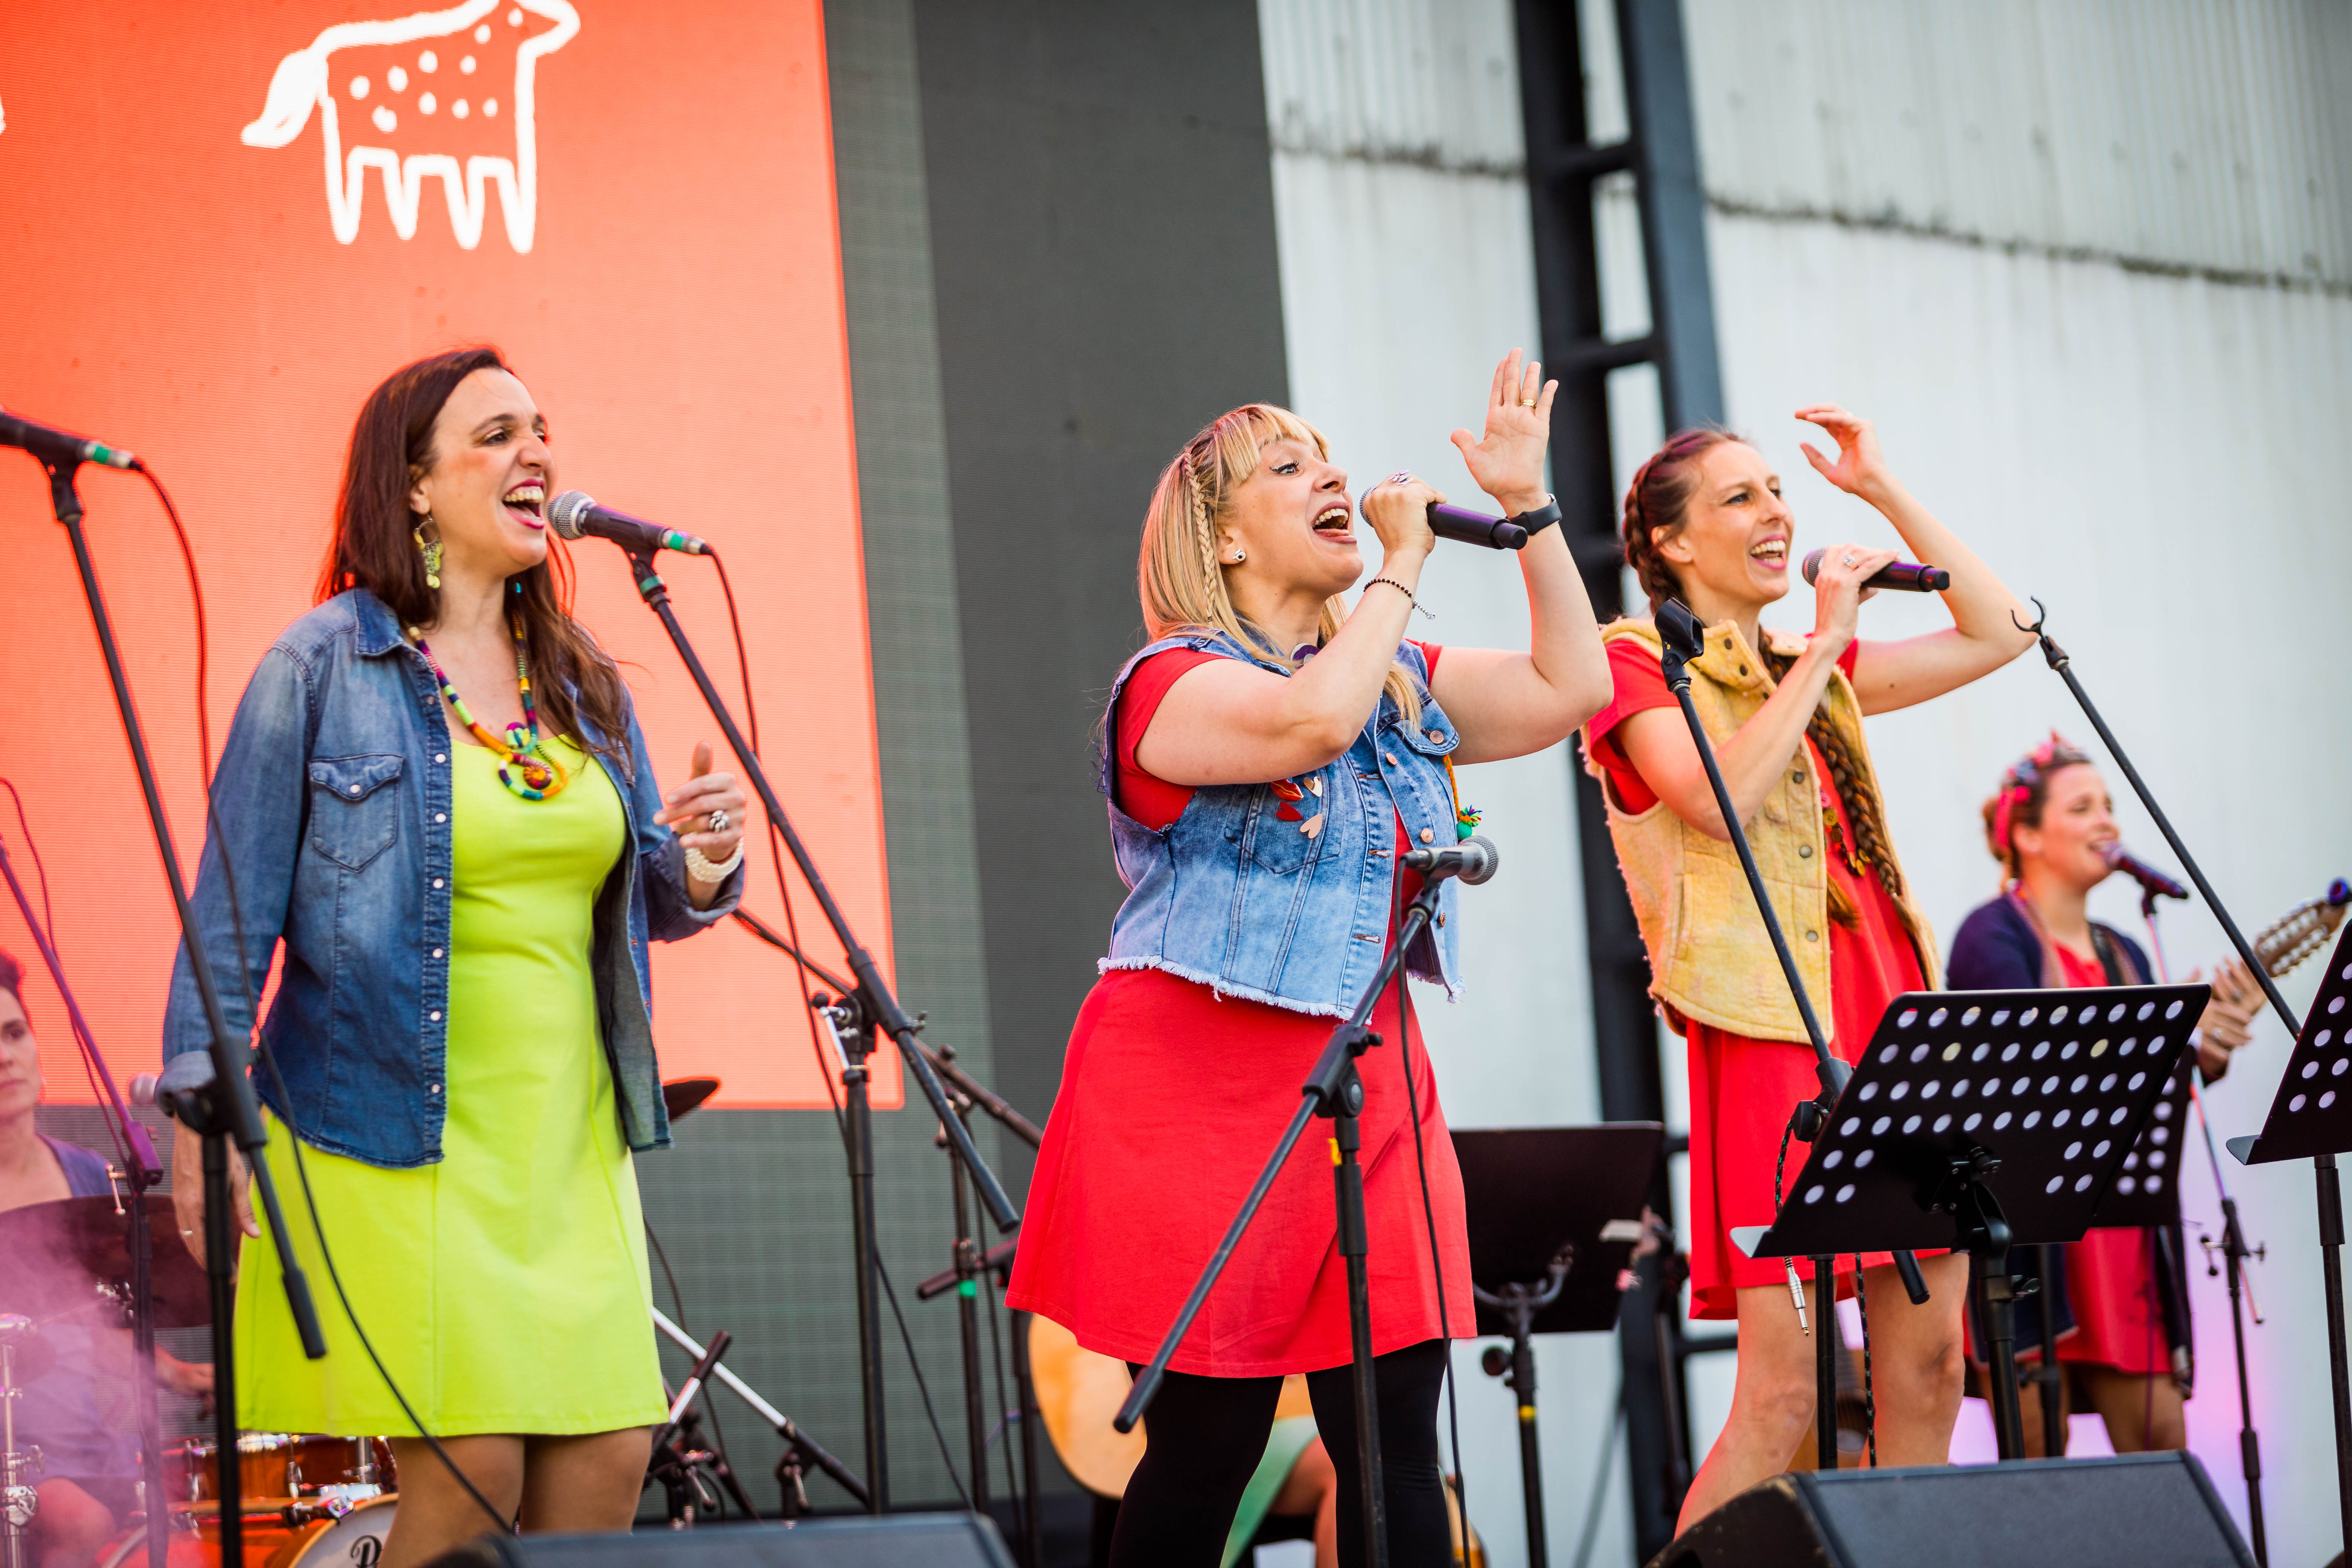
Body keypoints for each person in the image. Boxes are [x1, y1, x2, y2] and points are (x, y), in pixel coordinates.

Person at [1008, 351, 1610, 1567]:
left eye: (1327, 454)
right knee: (1209, 1447)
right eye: (1288, 467)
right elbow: (1306, 723)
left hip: (1371, 1081)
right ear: (1221, 542)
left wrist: (1530, 511)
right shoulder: (1166, 687)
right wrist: (1402, 561)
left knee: (1395, 1439)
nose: (1331, 471)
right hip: (1196, 1092)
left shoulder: (1397, 684)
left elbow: (1572, 685)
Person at [158, 348, 745, 1568]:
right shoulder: (319, 669)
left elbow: (647, 897)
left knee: (608, 1462)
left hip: (566, 1142)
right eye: (496, 435)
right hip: (391, 1127)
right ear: (414, 486)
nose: (537, 453)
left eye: (543, 429)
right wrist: (196, 1128)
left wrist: (698, 864)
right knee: (472, 1473)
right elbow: (228, 916)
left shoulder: (583, 681)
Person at [1580, 411, 2038, 1533]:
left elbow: (2006, 628)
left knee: (1930, 1373)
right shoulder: (1633, 665)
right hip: (1773, 1032)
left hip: (1892, 1018)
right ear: (1673, 543)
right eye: (1741, 497)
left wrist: (1883, 485)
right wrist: (1829, 639)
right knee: (1786, 1394)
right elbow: (1716, 802)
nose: (1779, 513)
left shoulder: (1802, 663)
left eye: (1779, 490)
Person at [1945, 735, 2262, 1454]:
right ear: (2025, 834)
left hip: (2119, 1232)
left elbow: (2143, 1094)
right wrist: (2158, 1042)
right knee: (2039, 1467)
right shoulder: (1990, 936)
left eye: (2110, 807)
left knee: (2159, 1445)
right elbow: (2025, 1075)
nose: (2108, 822)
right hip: (2030, 1239)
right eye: (2082, 807)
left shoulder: (2125, 948)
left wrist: (2200, 1053)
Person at [0, 948, 213, 1568]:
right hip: (16, 1461)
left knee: (183, 1554)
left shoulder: (91, 1176)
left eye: (15, 1033)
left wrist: (179, 1373)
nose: (5, 1055)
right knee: (79, 1521)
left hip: (98, 1454)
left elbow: (95, 1323)